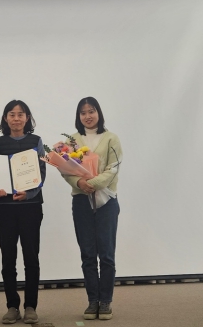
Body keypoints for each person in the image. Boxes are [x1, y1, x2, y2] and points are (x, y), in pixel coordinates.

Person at [62, 97, 123, 321]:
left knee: (106, 254)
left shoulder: (111, 138)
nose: (87, 116)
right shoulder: (72, 141)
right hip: (81, 201)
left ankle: (105, 301)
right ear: (78, 116)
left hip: (107, 201)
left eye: (91, 111)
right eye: (83, 112)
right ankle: (92, 301)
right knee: (87, 254)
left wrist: (93, 183)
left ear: (99, 113)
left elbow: (113, 168)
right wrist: (79, 183)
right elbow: (65, 169)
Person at [0, 100, 46, 325]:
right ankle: (12, 306)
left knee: (31, 257)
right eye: (12, 114)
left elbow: (41, 172)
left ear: (27, 118)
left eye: (20, 114)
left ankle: (30, 306)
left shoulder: (36, 141)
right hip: (5, 208)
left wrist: (29, 194)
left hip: (31, 207)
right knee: (8, 258)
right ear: (5, 118)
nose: (16, 118)